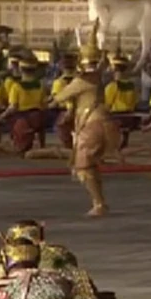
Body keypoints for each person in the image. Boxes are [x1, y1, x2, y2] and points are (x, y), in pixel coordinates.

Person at [52, 21, 120, 217]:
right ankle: (100, 201)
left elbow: (60, 97)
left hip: (91, 124)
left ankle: (98, 203)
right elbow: (102, 65)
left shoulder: (82, 80)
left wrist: (51, 100)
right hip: (103, 122)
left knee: (83, 166)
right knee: (91, 165)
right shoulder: (99, 75)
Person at [1, 55, 47, 155]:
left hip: (22, 119)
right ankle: (41, 144)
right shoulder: (40, 85)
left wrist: (2, 116)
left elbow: (13, 107)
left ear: (21, 69)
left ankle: (15, 142)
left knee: (8, 119)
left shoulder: (16, 87)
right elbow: (44, 104)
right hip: (38, 117)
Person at [104, 50, 139, 150]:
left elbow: (107, 105)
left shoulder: (112, 86)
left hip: (116, 117)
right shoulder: (132, 86)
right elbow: (134, 102)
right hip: (129, 117)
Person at [50, 52, 79, 150]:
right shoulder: (81, 80)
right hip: (83, 110)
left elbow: (56, 101)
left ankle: (68, 147)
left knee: (60, 126)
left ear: (61, 66)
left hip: (65, 112)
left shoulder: (58, 82)